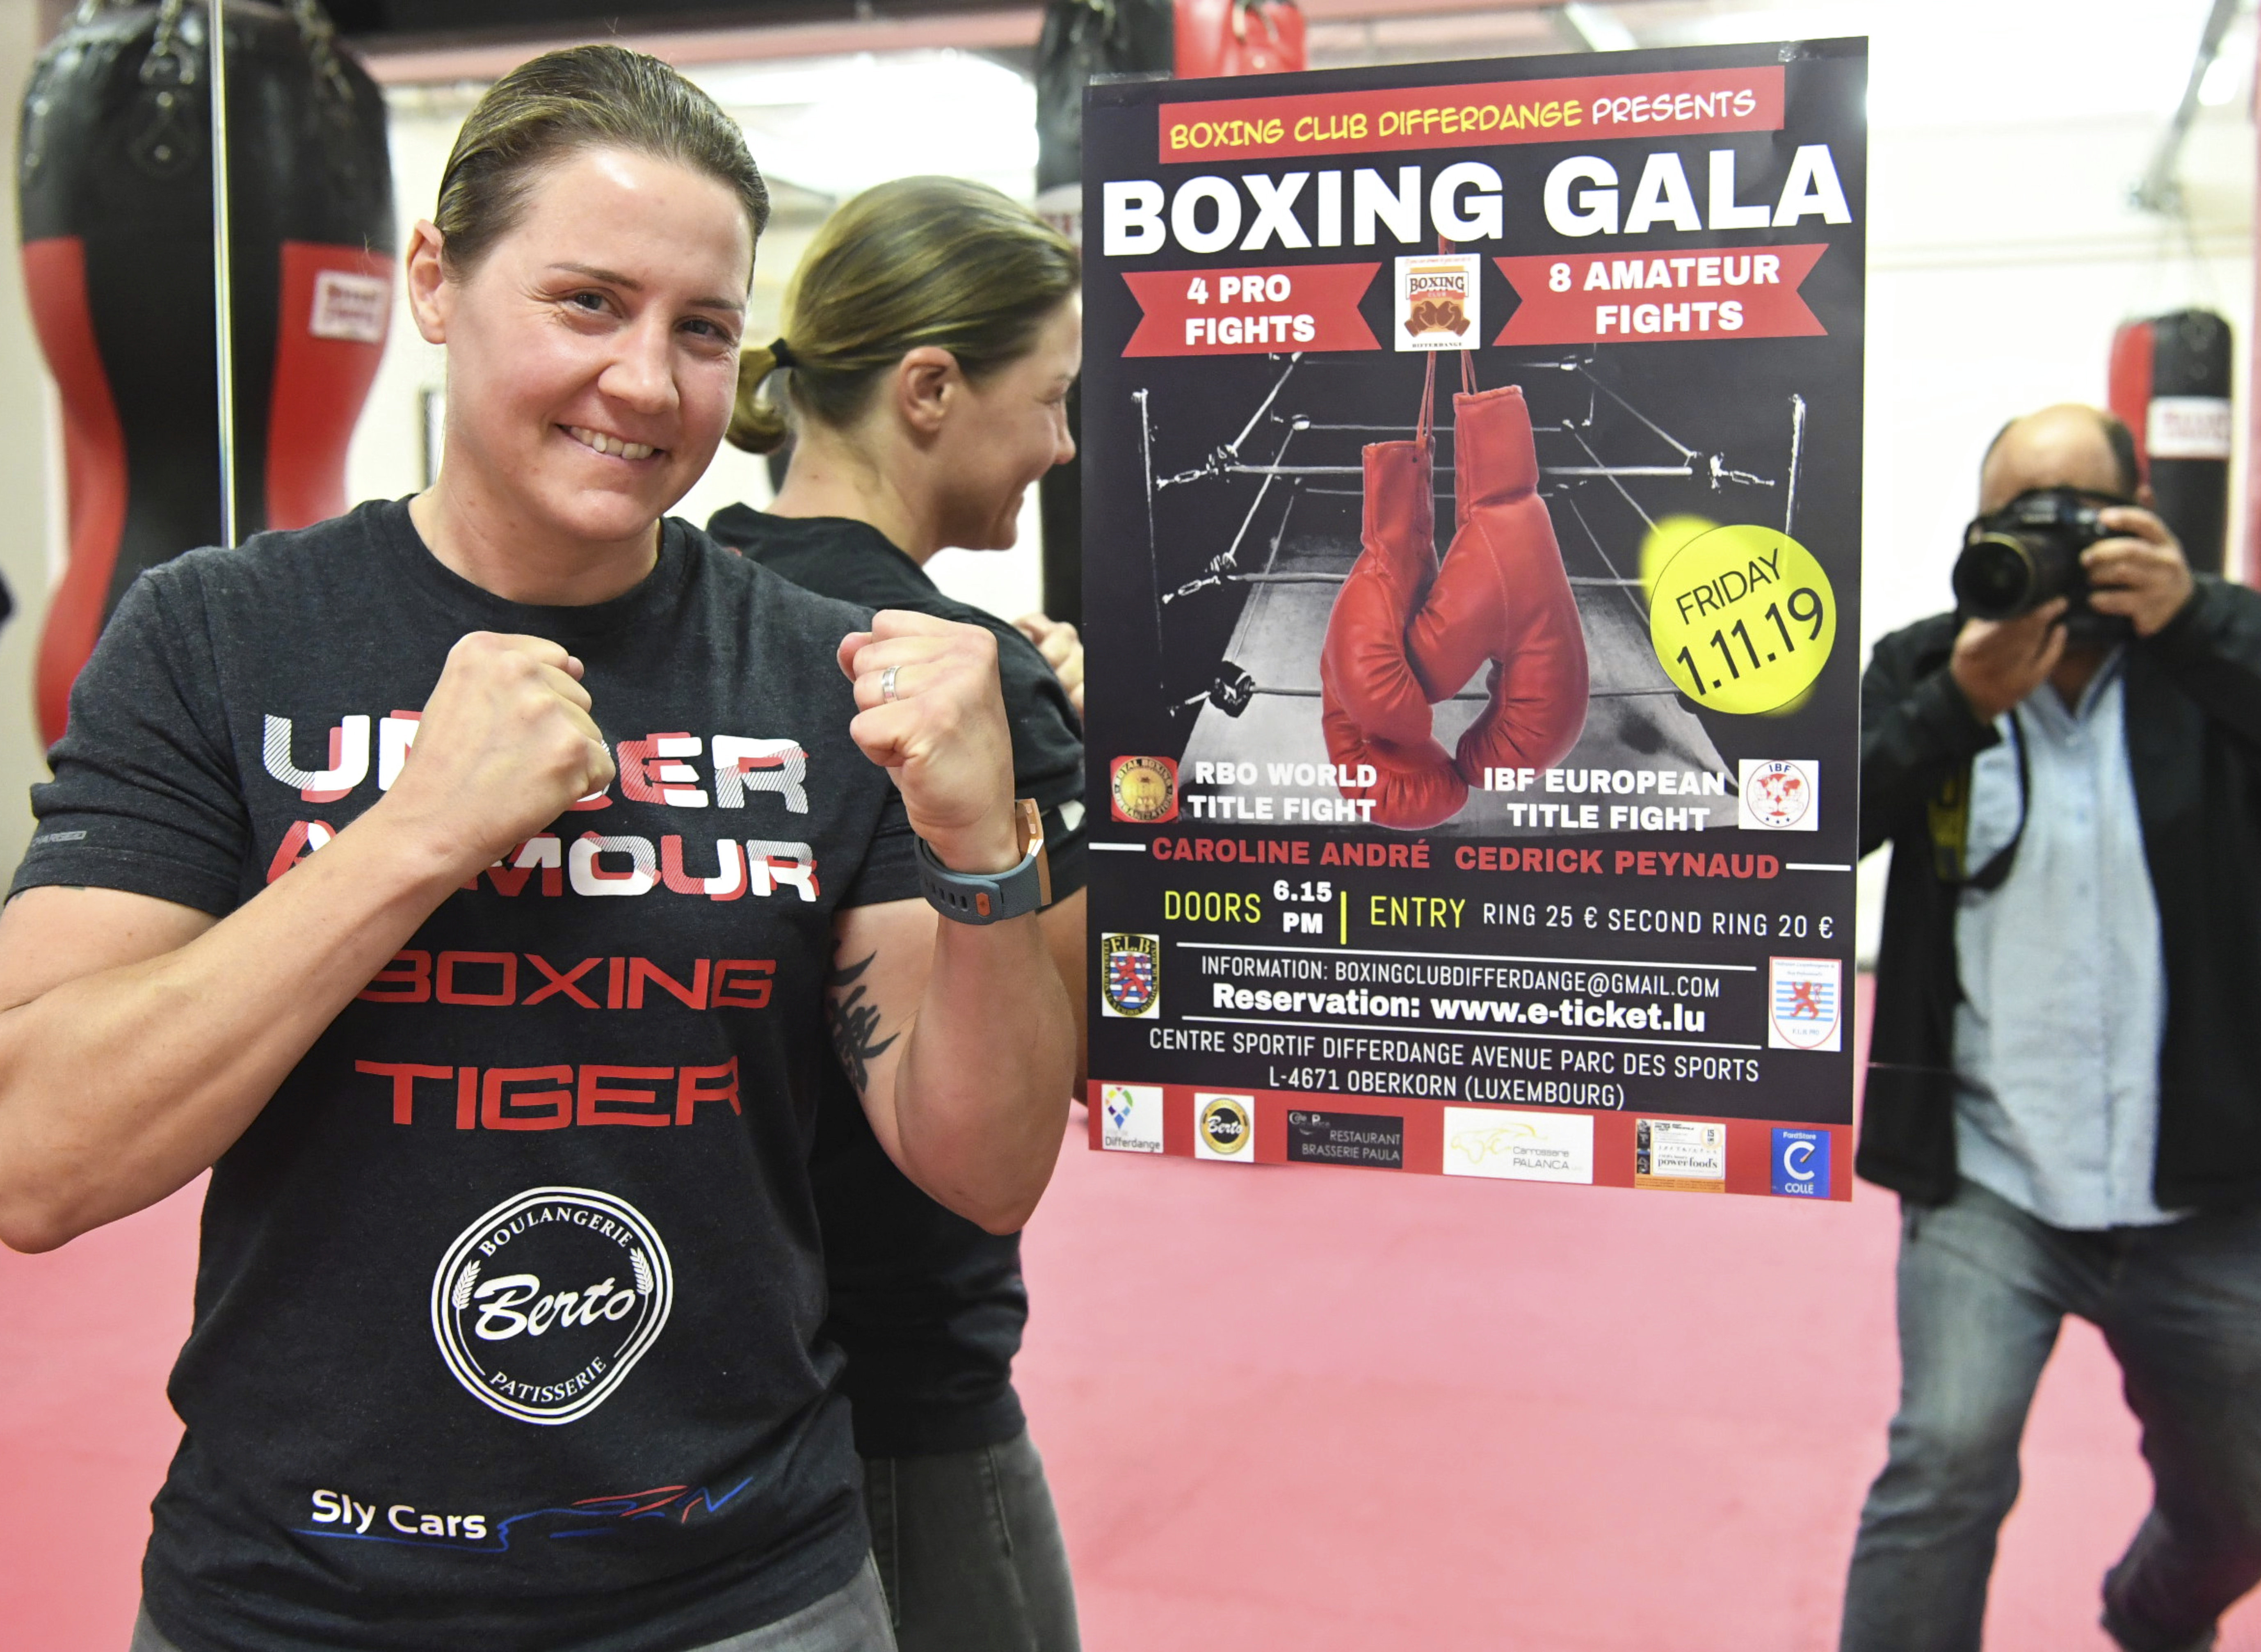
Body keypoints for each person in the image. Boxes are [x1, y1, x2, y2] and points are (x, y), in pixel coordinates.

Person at [0, 46, 1074, 1652]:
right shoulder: (218, 638)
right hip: (296, 1593)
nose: (647, 383)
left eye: (700, 330)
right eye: (587, 302)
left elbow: (981, 1164)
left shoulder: (819, 671)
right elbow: (34, 1152)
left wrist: (983, 847)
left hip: (743, 1588)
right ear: (435, 282)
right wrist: (413, 836)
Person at [706, 176, 1085, 1652]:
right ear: (930, 388)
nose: (1059, 445)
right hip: (906, 1395)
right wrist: (1083, 760)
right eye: (1048, 401)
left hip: (682, 1387)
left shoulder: (683, 616)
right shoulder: (972, 679)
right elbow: (1053, 1068)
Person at [1843, 403, 2261, 1652]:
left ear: (2145, 518)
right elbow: (1816, 827)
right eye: (2022, 516)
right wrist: (1954, 709)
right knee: (1944, 1464)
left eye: (2082, 515)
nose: (2054, 544)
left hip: (2205, 1193)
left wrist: (2195, 618)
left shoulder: (2217, 666)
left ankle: (2151, 1612)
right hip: (1991, 1178)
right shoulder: (1928, 666)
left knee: (2243, 1503)